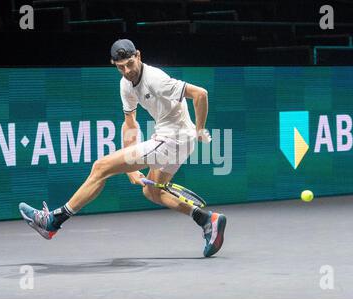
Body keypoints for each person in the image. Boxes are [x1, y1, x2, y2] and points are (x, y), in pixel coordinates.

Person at [19, 39, 227, 258]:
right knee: (152, 191)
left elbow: (200, 94)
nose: (127, 70)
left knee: (101, 167)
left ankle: (53, 221)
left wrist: (200, 129)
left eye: (130, 63)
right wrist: (131, 169)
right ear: (114, 64)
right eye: (121, 67)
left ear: (138, 55)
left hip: (174, 140)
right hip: (172, 139)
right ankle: (207, 220)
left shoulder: (156, 80)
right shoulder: (125, 84)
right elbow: (130, 124)